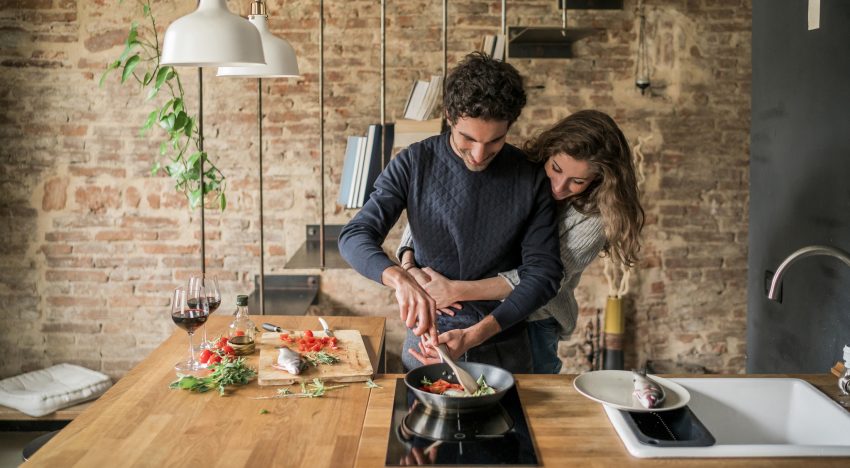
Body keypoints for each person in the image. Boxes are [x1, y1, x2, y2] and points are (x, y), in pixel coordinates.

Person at [338, 52, 563, 373]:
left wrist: (474, 335)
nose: (479, 154)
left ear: (510, 126)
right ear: (449, 116)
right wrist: (400, 278)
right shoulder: (414, 162)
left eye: (495, 141)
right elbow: (354, 236)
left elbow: (544, 274)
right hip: (429, 340)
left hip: (504, 339)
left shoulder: (529, 176)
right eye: (467, 139)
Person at [398, 110, 645, 373]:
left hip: (535, 321)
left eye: (578, 181)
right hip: (471, 308)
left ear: (598, 180)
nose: (559, 186)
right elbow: (435, 212)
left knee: (527, 403)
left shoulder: (594, 220)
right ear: (548, 152)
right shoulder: (518, 172)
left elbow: (538, 279)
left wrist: (455, 290)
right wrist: (408, 264)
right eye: (556, 169)